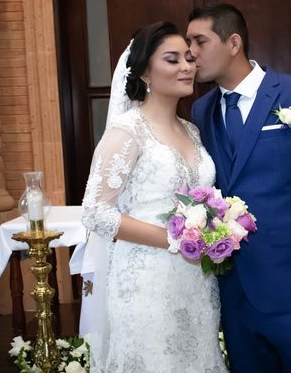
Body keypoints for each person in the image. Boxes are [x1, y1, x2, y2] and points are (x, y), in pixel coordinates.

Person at [189, 4, 291, 372]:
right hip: (234, 295)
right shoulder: (201, 111)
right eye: (188, 43)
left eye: (200, 41)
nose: (191, 53)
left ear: (234, 42)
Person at [81, 21, 227, 372]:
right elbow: (96, 213)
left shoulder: (191, 131)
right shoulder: (127, 132)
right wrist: (177, 240)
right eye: (172, 59)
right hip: (145, 282)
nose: (187, 67)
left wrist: (214, 229)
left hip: (196, 280)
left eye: (189, 59)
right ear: (145, 71)